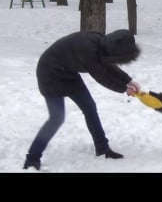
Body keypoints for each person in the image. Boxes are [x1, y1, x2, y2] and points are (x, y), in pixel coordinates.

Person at [23, 29, 141, 170]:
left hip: (69, 74)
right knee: (57, 118)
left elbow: (106, 64)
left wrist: (128, 80)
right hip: (49, 74)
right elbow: (103, 76)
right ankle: (32, 158)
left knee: (90, 108)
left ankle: (102, 148)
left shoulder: (101, 42)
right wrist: (124, 88)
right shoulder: (89, 52)